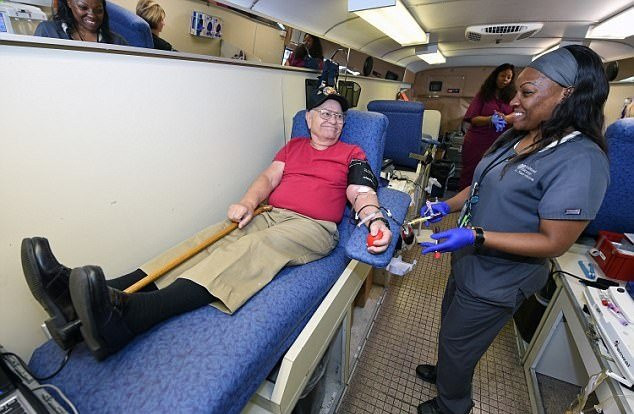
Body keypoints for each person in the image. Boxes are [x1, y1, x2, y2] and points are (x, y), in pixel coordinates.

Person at [22, 85, 393, 360]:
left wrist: (373, 217)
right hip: (269, 213)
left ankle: (132, 316)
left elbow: (360, 190)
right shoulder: (292, 147)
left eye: (339, 116)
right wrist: (248, 202)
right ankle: (86, 295)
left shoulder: (351, 152)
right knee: (211, 238)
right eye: (325, 113)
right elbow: (268, 178)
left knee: (254, 247)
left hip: (314, 227)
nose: (333, 121)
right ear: (308, 119)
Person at [414, 45, 610, 414]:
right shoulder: (520, 134)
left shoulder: (582, 160)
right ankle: (447, 373)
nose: (514, 101)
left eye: (527, 92)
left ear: (567, 94)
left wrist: (477, 236)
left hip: (499, 277)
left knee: (460, 342)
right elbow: (482, 183)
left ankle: (452, 405)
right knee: (452, 329)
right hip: (469, 260)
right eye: (516, 90)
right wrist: (448, 205)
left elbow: (554, 242)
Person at [458, 63, 517, 190]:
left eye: (509, 77)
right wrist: (490, 119)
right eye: (503, 76)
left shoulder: (512, 97)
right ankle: (463, 199)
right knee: (470, 173)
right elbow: (473, 118)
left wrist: (506, 118)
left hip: (500, 143)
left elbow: (518, 114)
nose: (505, 80)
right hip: (477, 142)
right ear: (496, 76)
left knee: (492, 175)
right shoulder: (483, 95)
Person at [34, 0, 127, 45]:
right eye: (83, 7)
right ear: (69, 2)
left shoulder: (117, 42)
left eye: (98, 10)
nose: (92, 15)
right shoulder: (48, 32)